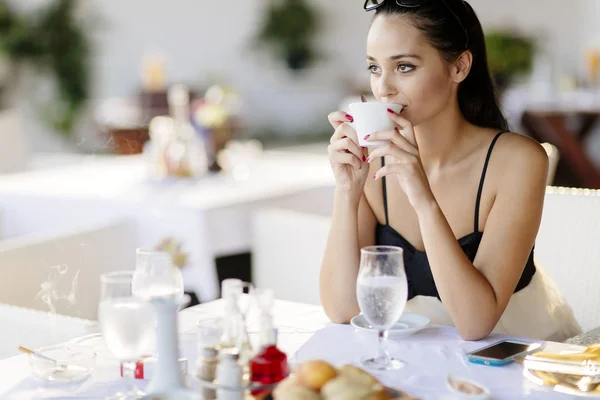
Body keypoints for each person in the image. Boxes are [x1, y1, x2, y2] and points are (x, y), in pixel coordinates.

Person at [320, 0, 581, 341]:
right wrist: (347, 190)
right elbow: (342, 310)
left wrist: (422, 198)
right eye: (374, 68)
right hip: (418, 351)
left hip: (511, 355)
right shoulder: (374, 162)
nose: (383, 88)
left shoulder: (518, 161)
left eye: (404, 67)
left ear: (459, 67)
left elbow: (475, 325)